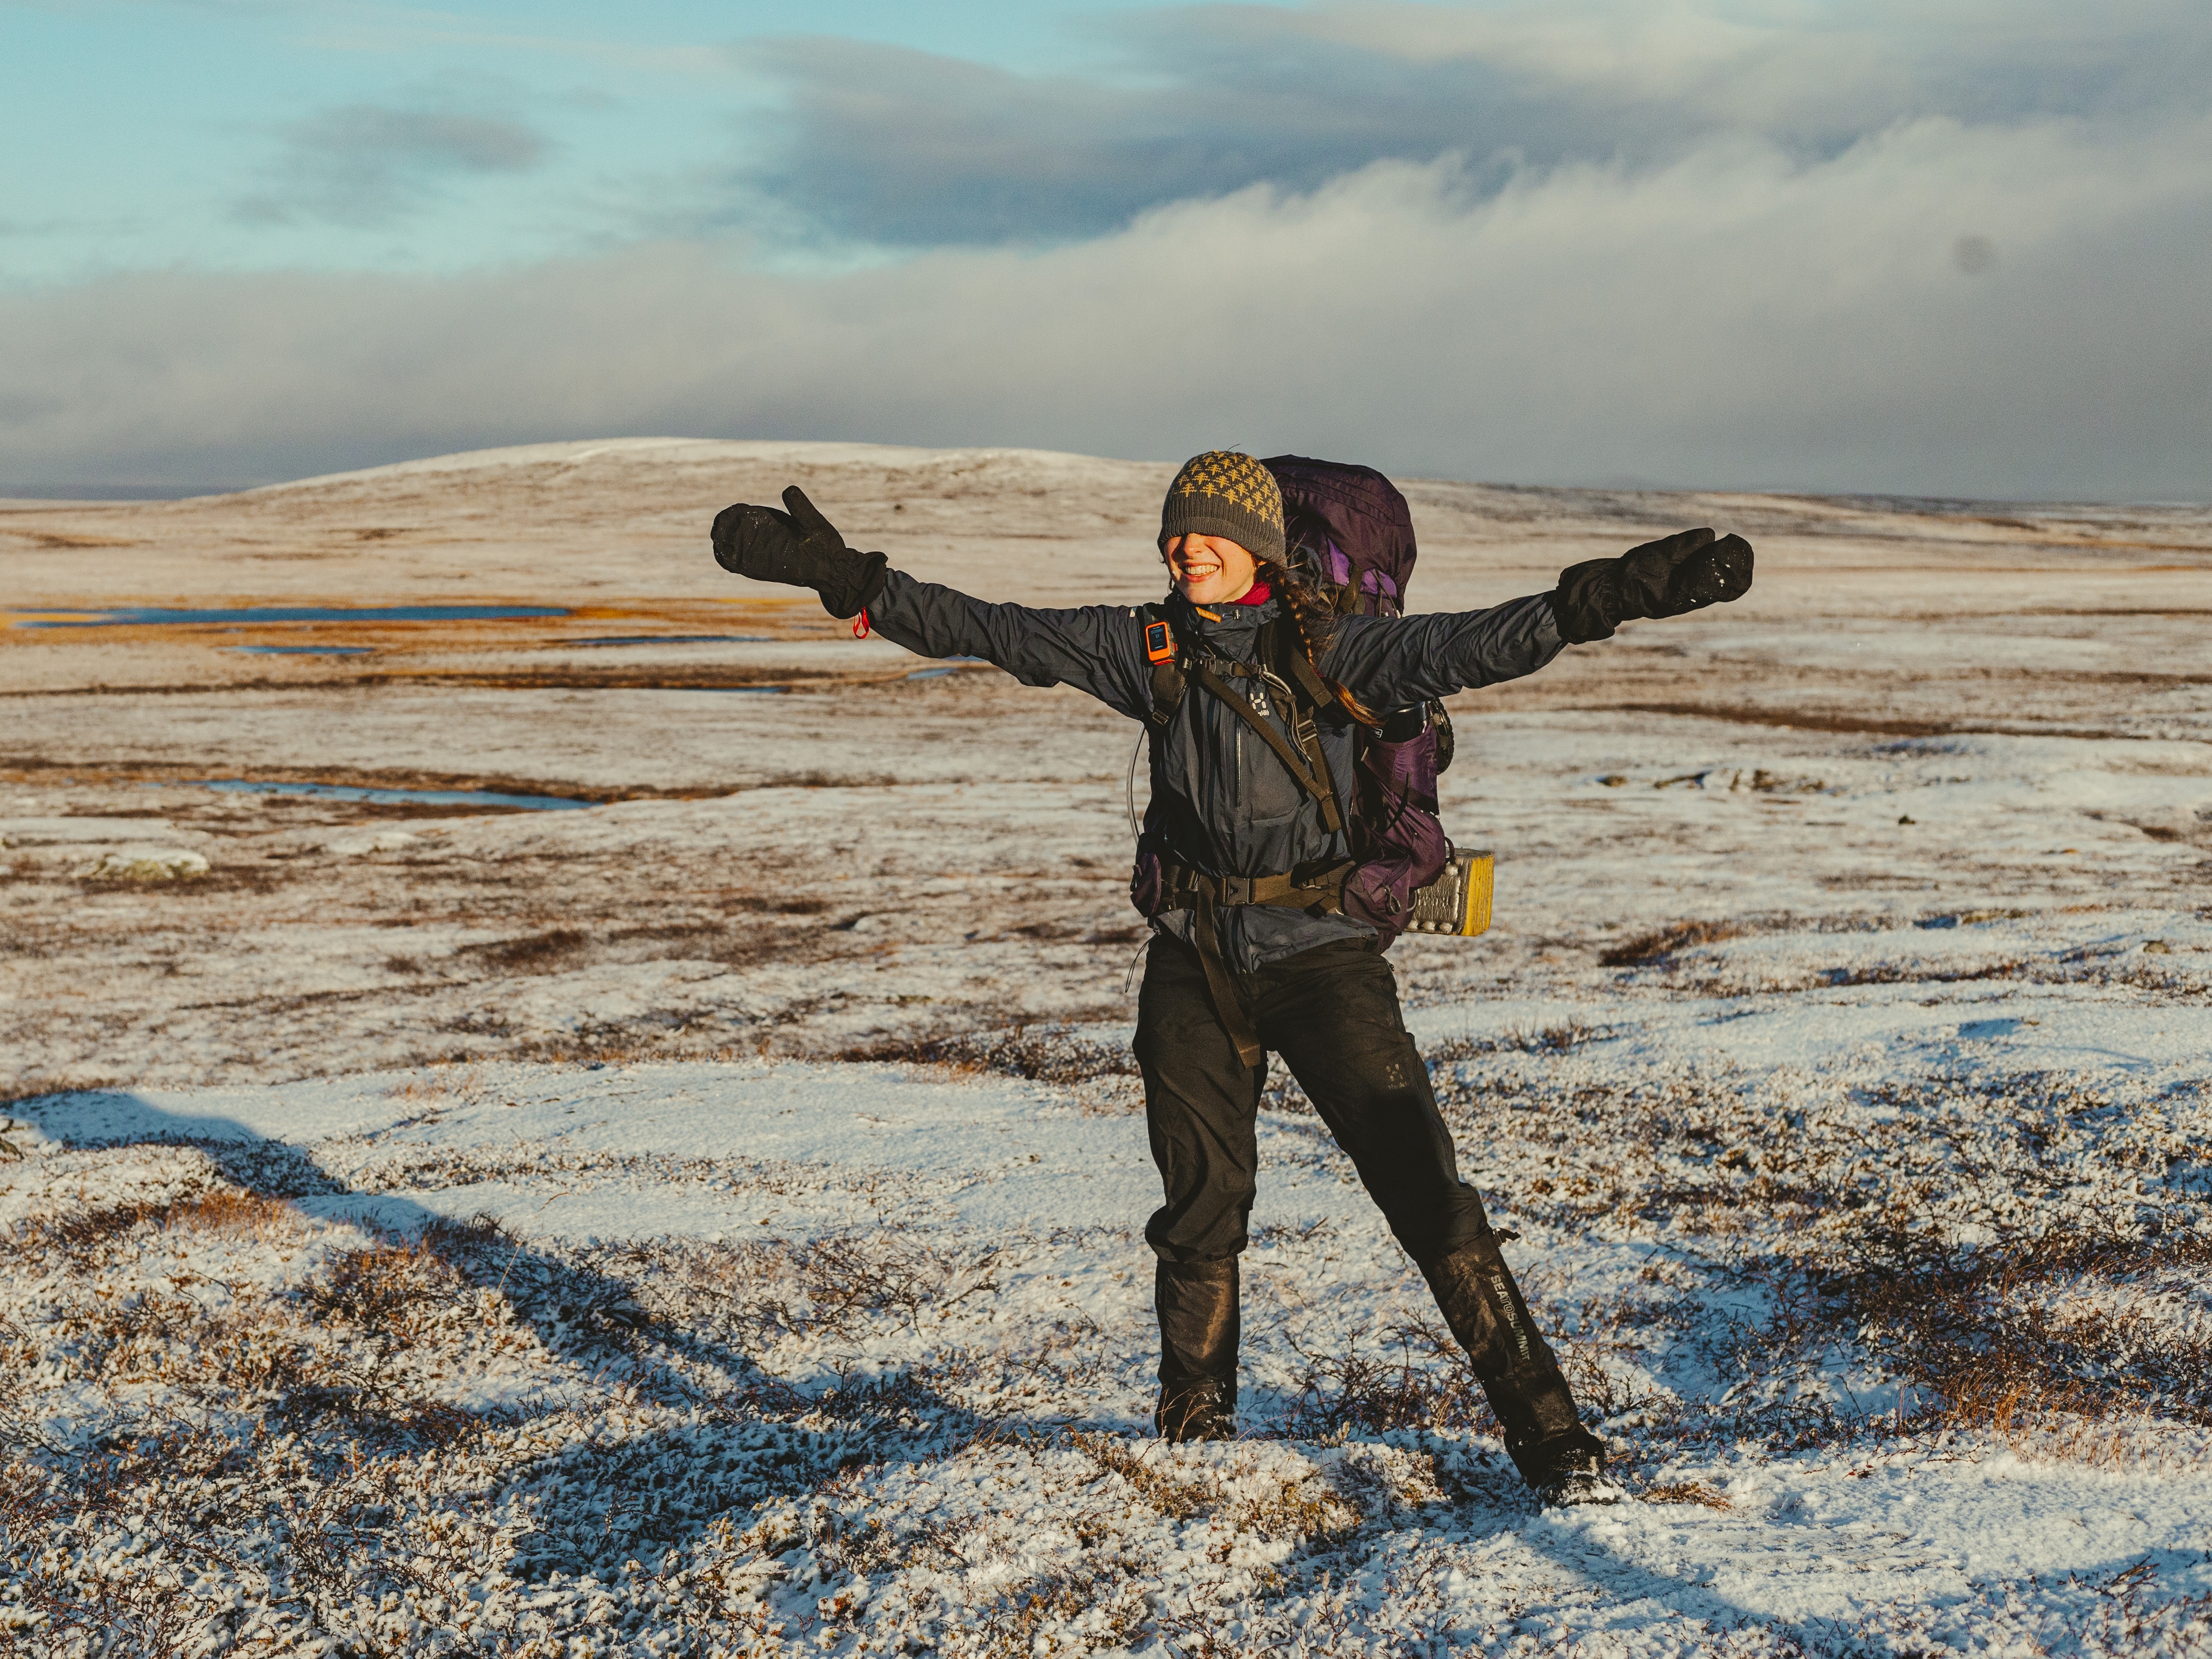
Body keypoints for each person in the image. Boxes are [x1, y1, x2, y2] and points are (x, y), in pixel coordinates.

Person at [711, 451, 1752, 1502]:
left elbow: (1478, 643)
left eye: (1206, 532)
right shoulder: (1148, 646)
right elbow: (1001, 631)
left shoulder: (1337, 647)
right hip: (1194, 964)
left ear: (1257, 545)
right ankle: (1196, 1437)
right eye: (1175, 532)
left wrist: (1606, 598)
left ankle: (1554, 1444)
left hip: (1323, 962)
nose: (1185, 547)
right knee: (1200, 1204)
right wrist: (859, 585)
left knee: (1425, 1194)